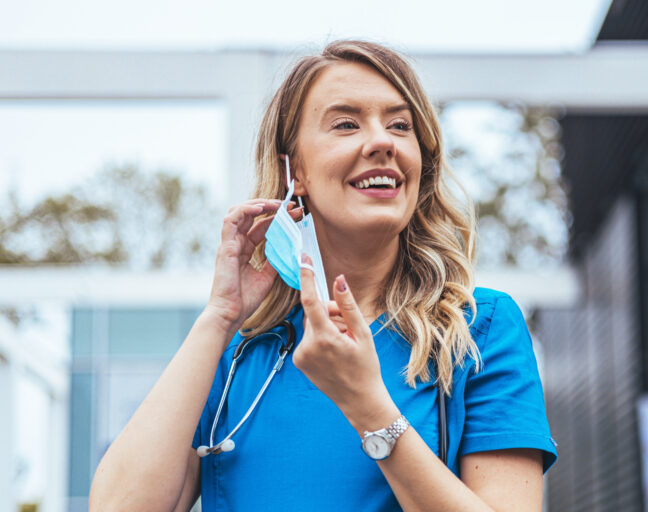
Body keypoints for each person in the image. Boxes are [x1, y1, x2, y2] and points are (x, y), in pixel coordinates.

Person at [89, 40, 557, 511]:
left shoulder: (480, 329)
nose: (382, 142)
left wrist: (369, 408)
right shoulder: (235, 355)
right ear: (296, 171)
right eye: (346, 124)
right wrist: (219, 317)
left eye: (400, 125)